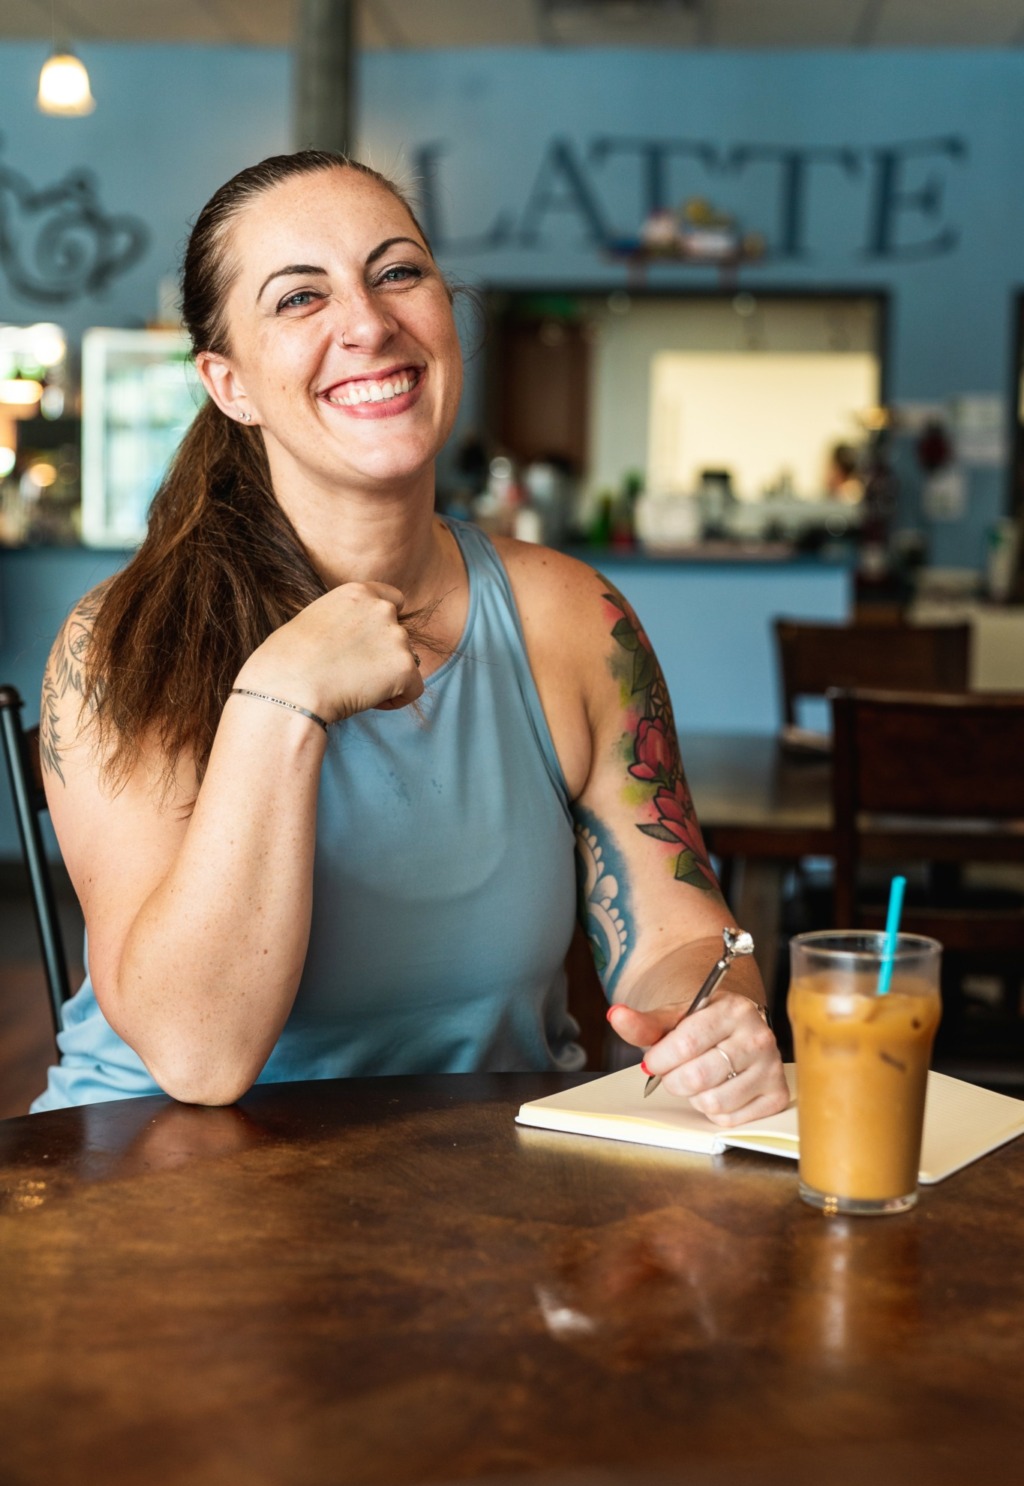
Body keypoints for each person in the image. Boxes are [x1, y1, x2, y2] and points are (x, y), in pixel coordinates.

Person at [33, 150, 787, 1124]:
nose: (368, 323)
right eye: (300, 298)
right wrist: (280, 699)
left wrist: (713, 1017)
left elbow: (678, 933)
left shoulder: (573, 615)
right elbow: (196, 1054)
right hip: (162, 1178)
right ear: (229, 383)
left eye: (396, 272)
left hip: (485, 1179)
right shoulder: (122, 640)